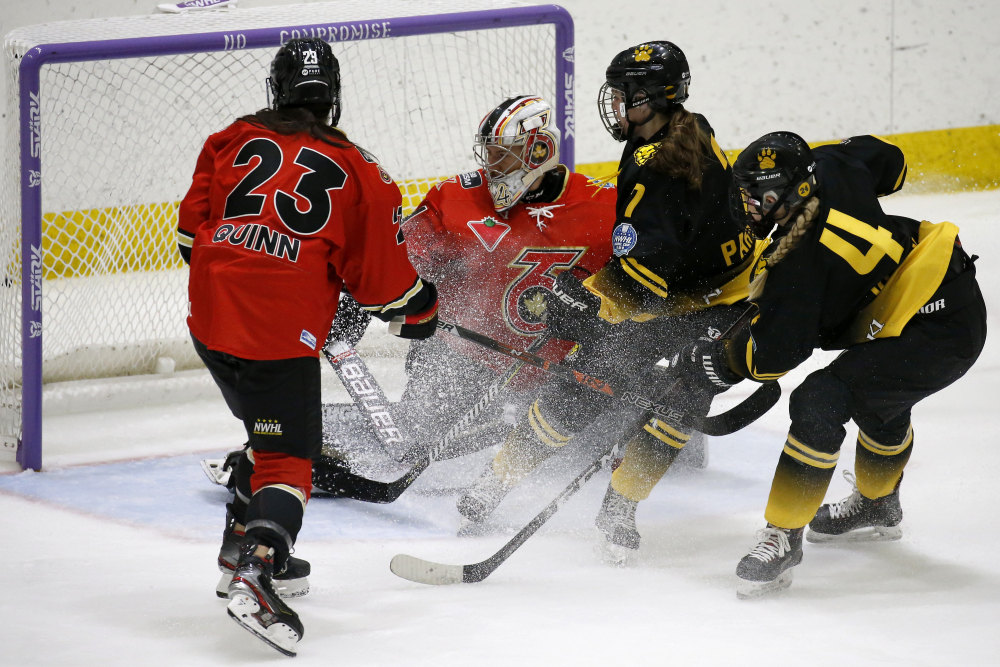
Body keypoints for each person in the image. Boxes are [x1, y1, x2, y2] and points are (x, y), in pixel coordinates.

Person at [177, 38, 438, 655]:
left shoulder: (229, 138)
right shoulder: (360, 169)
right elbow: (383, 285)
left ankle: (236, 546)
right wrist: (420, 311)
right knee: (290, 460)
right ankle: (257, 571)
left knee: (265, 435)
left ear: (277, 90)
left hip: (209, 321)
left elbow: (190, 236)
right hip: (275, 334)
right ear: (334, 96)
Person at [456, 42, 766, 559]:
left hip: (721, 302)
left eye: (624, 95)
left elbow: (646, 280)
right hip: (693, 285)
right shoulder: (683, 127)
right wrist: (590, 305)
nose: (615, 106)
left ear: (652, 99)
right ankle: (498, 480)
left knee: (676, 398)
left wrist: (584, 309)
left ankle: (620, 504)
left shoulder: (656, 167)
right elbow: (654, 264)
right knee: (593, 374)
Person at [670, 131, 986, 598]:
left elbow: (775, 357)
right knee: (880, 398)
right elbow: (891, 161)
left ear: (794, 192)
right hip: (941, 297)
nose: (750, 206)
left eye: (762, 197)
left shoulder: (797, 265)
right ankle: (877, 507)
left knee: (820, 399)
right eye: (747, 193)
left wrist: (719, 360)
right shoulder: (830, 165)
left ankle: (783, 536)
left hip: (938, 331)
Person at [395, 95, 617, 466]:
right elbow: (401, 262)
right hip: (468, 356)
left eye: (502, 153)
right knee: (422, 436)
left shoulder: (604, 207)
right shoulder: (456, 198)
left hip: (557, 370)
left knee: (601, 433)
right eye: (488, 153)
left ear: (539, 150)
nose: (491, 165)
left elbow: (642, 285)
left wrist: (598, 319)